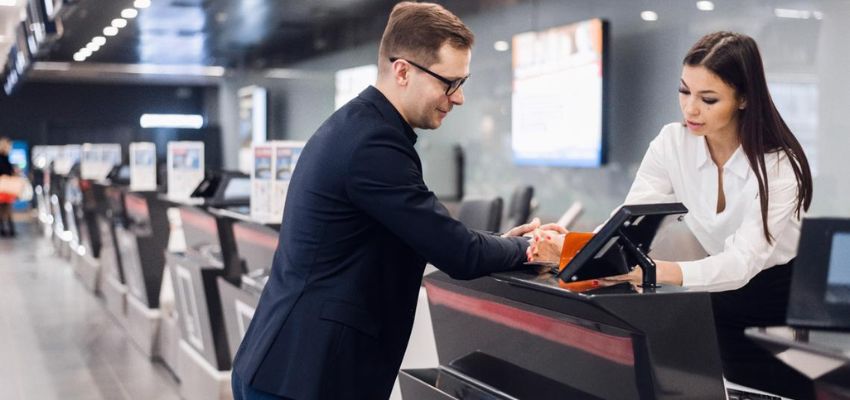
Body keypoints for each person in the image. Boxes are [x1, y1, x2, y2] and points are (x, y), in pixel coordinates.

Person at [231, 3, 564, 399]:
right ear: (403, 71)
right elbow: (458, 253)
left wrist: (504, 242)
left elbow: (426, 230)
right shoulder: (373, 143)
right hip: (304, 377)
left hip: (294, 368)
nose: (458, 98)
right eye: (449, 83)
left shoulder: (362, 127)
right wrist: (529, 249)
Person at [530, 31, 814, 399]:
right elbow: (628, 218)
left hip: (780, 297)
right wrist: (573, 245)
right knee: (730, 388)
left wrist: (655, 270)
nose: (690, 109)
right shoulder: (672, 143)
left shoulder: (779, 166)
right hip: (718, 288)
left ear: (744, 98)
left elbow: (744, 262)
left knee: (781, 392)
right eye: (684, 91)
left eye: (708, 99)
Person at [0, 137, 17, 237]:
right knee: (5, 209)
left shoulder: (5, 158)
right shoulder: (3, 158)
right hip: (4, 187)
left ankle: (6, 229)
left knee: (4, 209)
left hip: (4, 187)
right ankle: (9, 229)